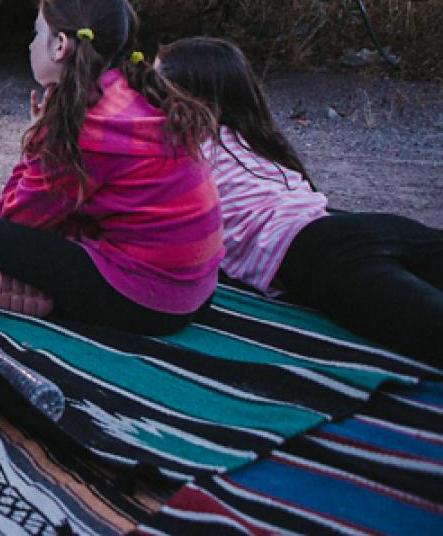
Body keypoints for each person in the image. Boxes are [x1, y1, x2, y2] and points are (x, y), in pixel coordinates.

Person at [157, 36, 443, 368]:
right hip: (364, 227)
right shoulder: (248, 138)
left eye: (155, 86)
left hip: (319, 252)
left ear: (181, 99)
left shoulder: (178, 152)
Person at [0, 0, 223, 336]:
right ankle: (27, 290)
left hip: (151, 300)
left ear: (60, 47)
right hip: (195, 289)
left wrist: (37, 141)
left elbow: (17, 218)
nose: (31, 44)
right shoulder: (133, 91)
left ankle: (11, 287)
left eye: (37, 34)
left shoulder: (84, 123)